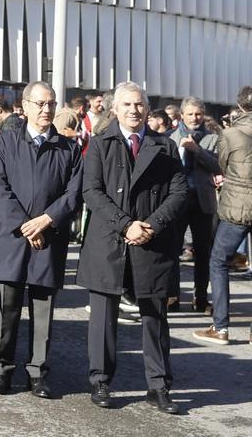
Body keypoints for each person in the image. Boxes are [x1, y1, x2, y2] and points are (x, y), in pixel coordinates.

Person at [78, 81, 189, 414]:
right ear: (115, 109)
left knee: (154, 317)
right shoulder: (100, 144)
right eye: (127, 105)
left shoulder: (165, 147)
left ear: (147, 108)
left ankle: (158, 386)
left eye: (139, 105)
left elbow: (179, 193)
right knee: (103, 317)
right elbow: (92, 192)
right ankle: (100, 381)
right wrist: (126, 224)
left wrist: (151, 225)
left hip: (152, 242)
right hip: (109, 240)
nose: (134, 111)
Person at [0, 81, 83, 398]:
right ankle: (2, 371)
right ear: (24, 106)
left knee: (43, 312)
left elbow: (73, 194)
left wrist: (45, 221)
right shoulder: (6, 141)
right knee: (8, 309)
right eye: (40, 104)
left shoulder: (68, 148)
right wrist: (26, 226)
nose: (46, 110)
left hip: (49, 238)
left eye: (51, 104)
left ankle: (37, 373)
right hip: (13, 239)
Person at [196, 86, 252, 346]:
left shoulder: (230, 133)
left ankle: (221, 327)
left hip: (236, 205)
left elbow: (222, 165)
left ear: (239, 107)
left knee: (218, 262)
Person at [168, 97, 220, 313]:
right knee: (172, 251)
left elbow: (217, 165)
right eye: (190, 114)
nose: (194, 118)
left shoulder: (213, 138)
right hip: (177, 201)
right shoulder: (171, 138)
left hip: (202, 201)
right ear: (182, 115)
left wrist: (196, 149)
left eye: (198, 114)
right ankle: (172, 295)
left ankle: (200, 297)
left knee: (203, 252)